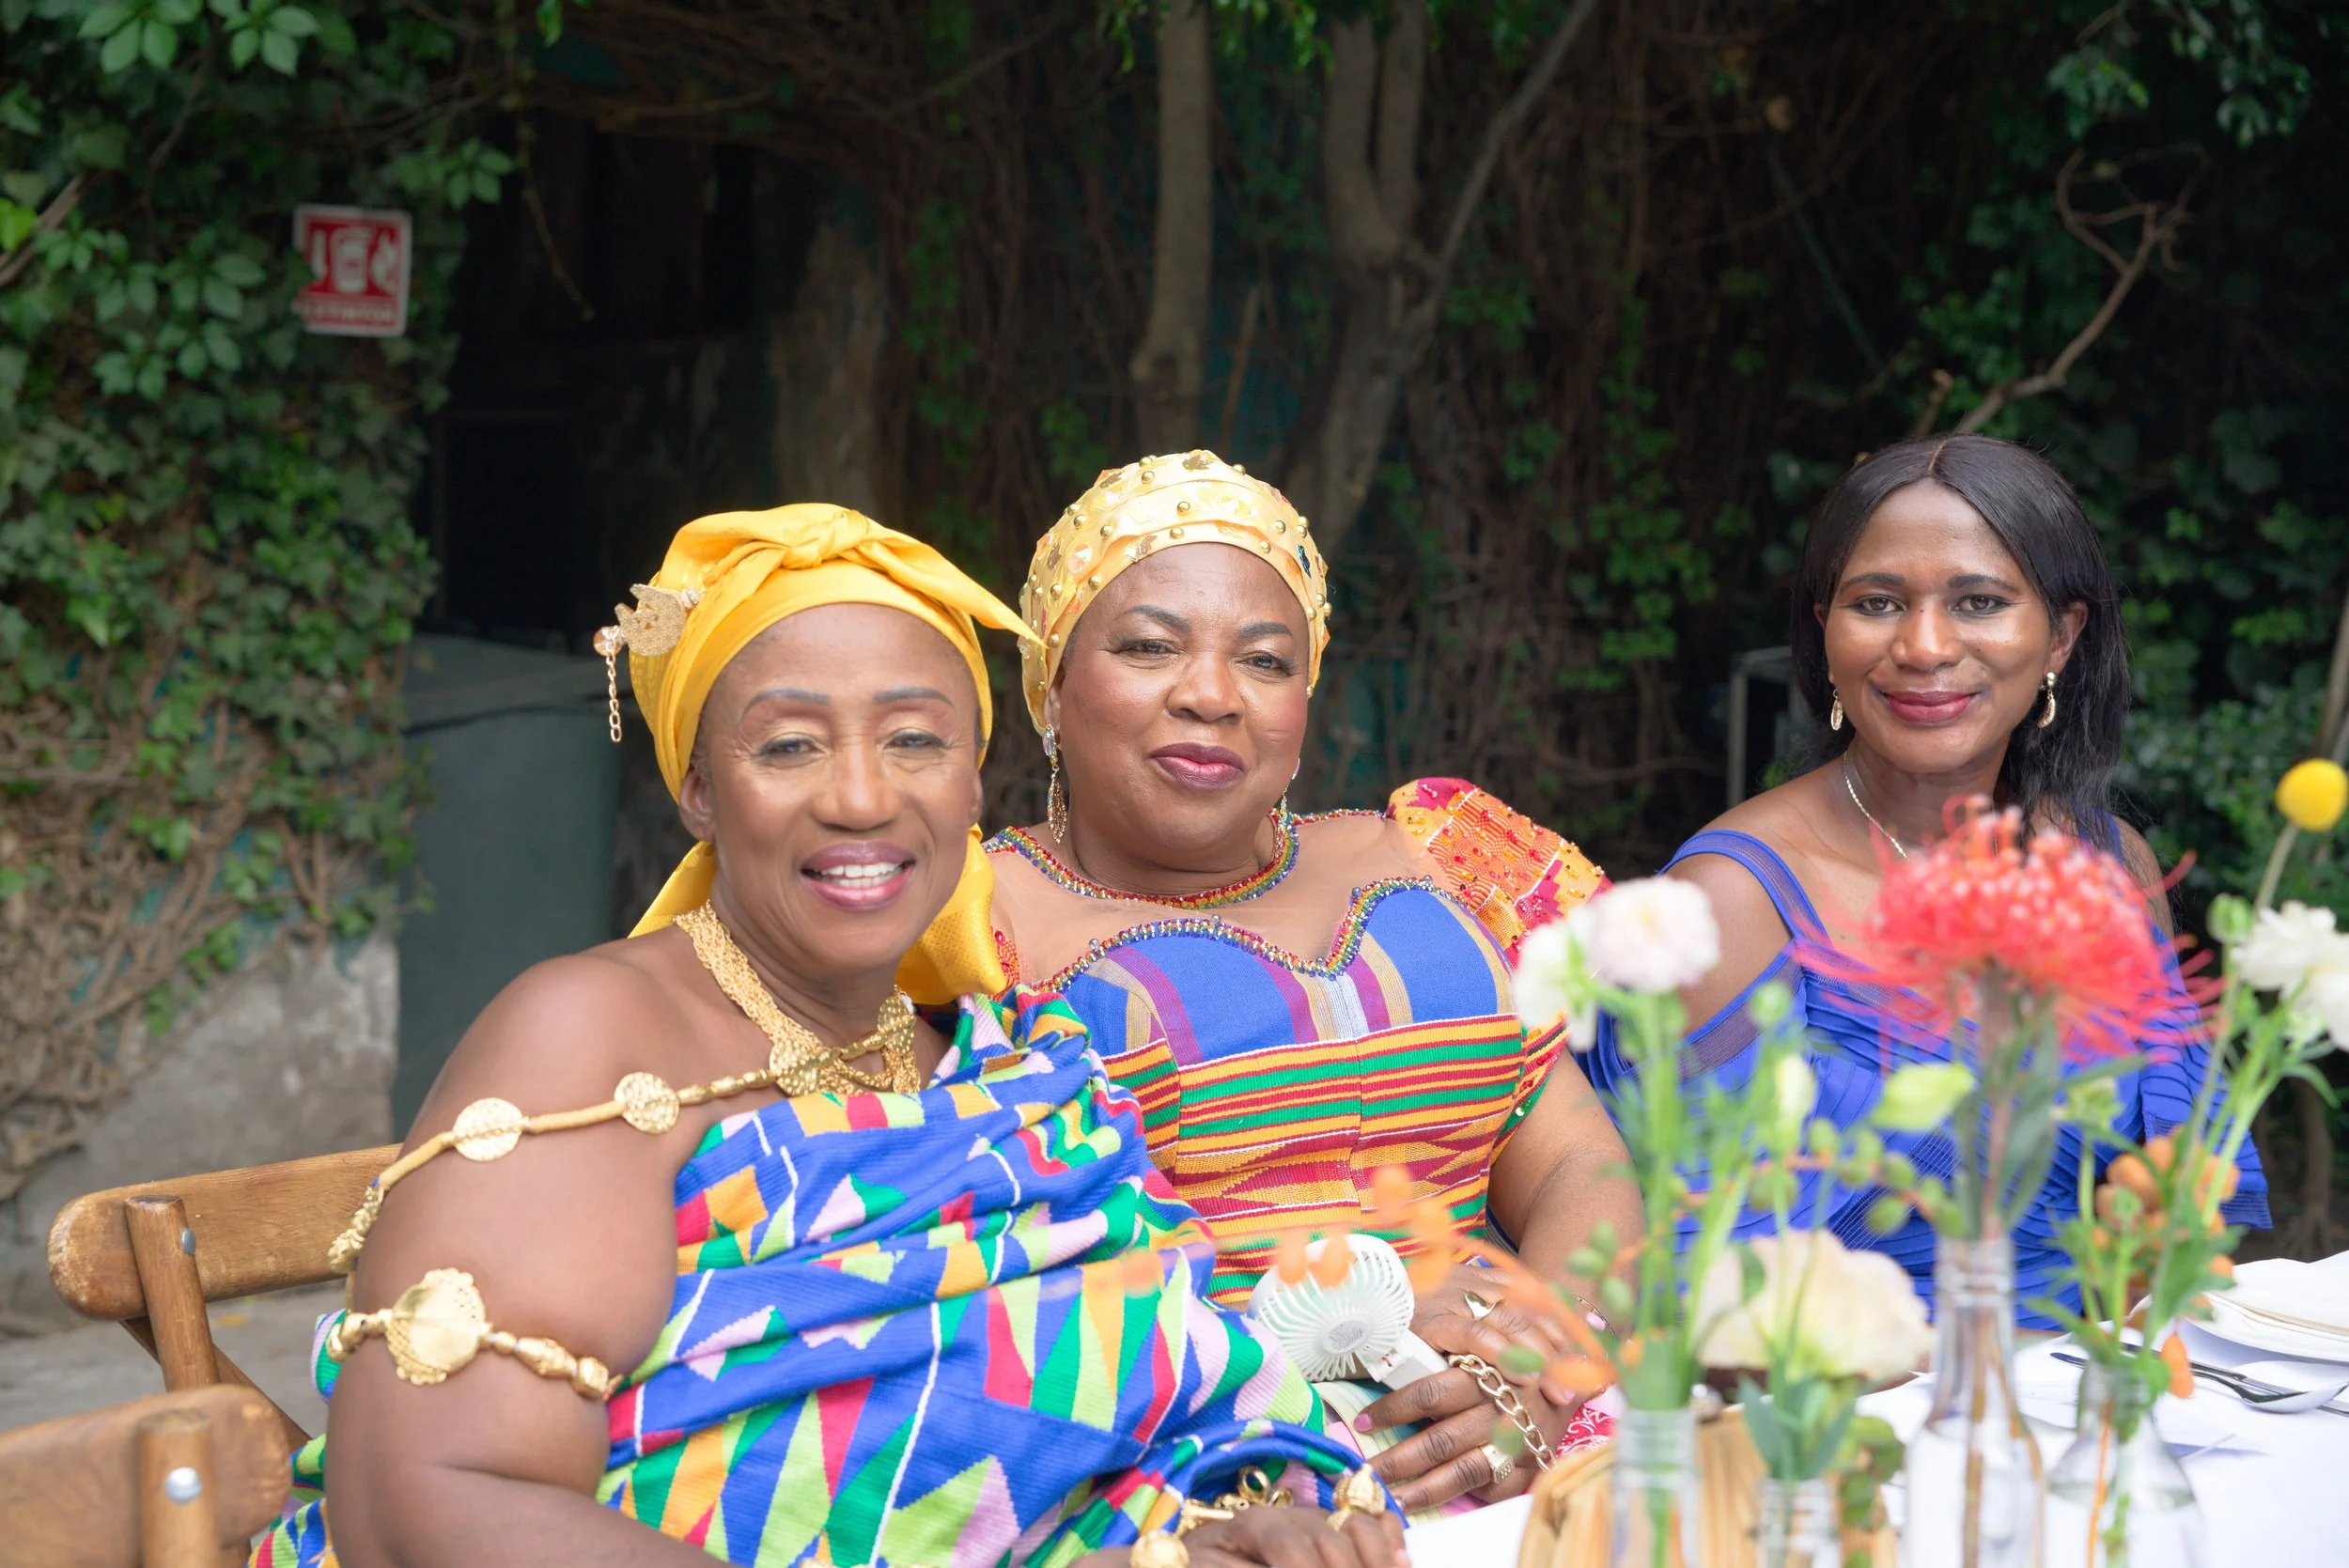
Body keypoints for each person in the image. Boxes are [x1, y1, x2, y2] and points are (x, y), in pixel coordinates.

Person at [254, 505, 1406, 1568]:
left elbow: (1158, 1401)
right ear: (700, 787)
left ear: (972, 783)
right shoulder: (591, 1036)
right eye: (790, 746)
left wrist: (1227, 1523)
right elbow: (427, 1497)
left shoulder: (1013, 1062)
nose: (861, 797)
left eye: (915, 741)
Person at [988, 451, 1641, 1513]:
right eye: (1150, 646)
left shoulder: (1428, 853)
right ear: (1051, 684)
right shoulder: (974, 936)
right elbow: (998, 1299)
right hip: (1203, 1488)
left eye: (1264, 659)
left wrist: (1542, 1354)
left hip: (1547, 1433)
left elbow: (1576, 1159)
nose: (1210, 695)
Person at [1582, 434, 2268, 1327]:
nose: (1925, 645)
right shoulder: (1730, 904)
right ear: (1826, 629)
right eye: (1878, 603)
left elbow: (2191, 1199)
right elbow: (1674, 1292)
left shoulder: (2108, 869)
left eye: (1980, 601)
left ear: (2062, 634)